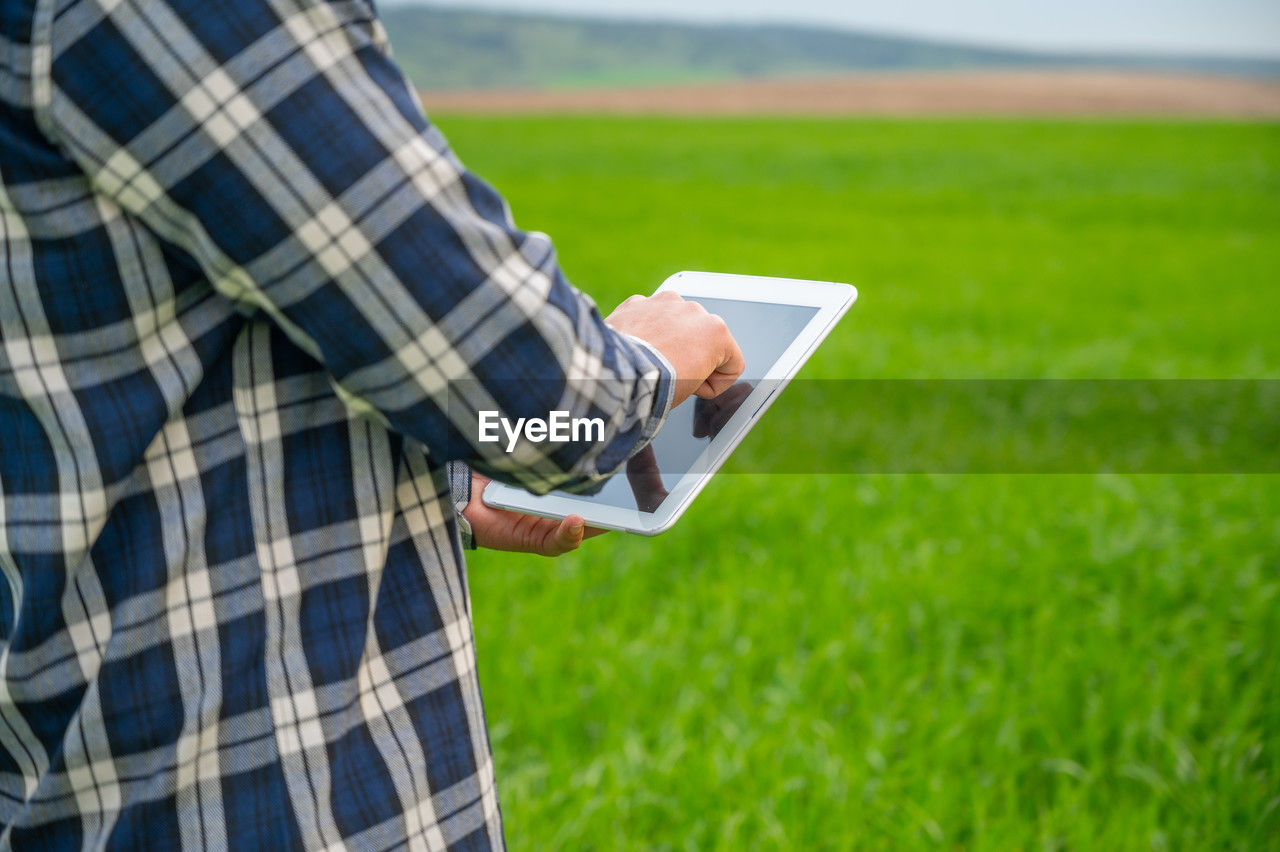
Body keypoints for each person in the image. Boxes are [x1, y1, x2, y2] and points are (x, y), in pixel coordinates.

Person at [0, 0, 744, 847]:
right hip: (253, 797)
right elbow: (545, 400)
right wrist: (647, 361)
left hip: (68, 771)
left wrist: (441, 482)